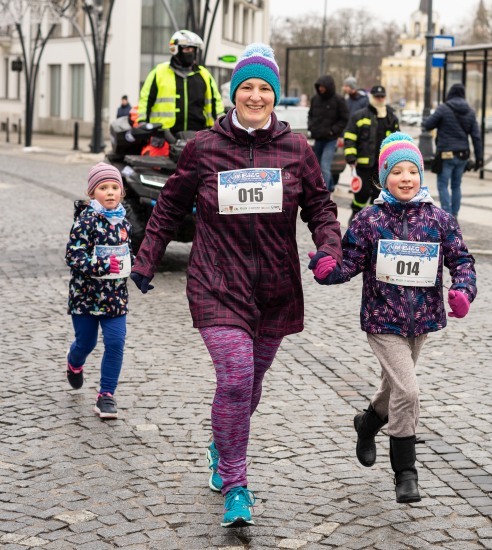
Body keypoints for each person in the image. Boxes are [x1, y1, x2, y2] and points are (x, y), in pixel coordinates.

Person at [130, 43, 342, 528]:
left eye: (264, 88)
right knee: (236, 376)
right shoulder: (206, 147)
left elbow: (321, 207)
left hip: (275, 285)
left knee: (250, 387)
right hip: (217, 281)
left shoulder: (296, 149)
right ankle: (236, 484)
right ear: (232, 94)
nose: (255, 95)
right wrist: (145, 261)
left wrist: (330, 246)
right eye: (246, 86)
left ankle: (221, 443)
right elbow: (168, 207)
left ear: (275, 95)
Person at [308, 132, 477, 504]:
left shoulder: (439, 220)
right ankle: (406, 472)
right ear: (383, 178)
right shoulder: (370, 220)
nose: (405, 178)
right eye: (396, 171)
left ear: (421, 175)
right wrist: (326, 268)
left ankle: (367, 423)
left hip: (423, 321)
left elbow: (462, 261)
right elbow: (348, 262)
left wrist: (463, 291)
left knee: (394, 387)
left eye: (411, 171)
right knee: (409, 390)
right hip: (382, 320)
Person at [65, 162, 134, 420]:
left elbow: (128, 253)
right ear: (92, 192)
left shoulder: (124, 221)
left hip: (115, 299)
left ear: (122, 192)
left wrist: (136, 267)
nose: (110, 192)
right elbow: (73, 255)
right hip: (85, 297)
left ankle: (106, 395)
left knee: (116, 343)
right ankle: (74, 363)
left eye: (115, 187)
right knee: (87, 342)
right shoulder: (86, 220)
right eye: (103, 187)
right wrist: (104, 265)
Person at [137, 29, 224, 139]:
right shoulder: (159, 72)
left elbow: (216, 104)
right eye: (187, 49)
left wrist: (222, 128)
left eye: (193, 49)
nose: (190, 53)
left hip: (198, 137)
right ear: (175, 50)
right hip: (162, 137)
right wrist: (142, 123)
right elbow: (145, 100)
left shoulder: (204, 75)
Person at [422, 83, 483, 218]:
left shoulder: (443, 108)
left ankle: (447, 216)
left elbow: (428, 125)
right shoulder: (471, 112)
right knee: (456, 186)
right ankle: (454, 215)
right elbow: (476, 137)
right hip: (462, 155)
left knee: (443, 185)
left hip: (446, 155)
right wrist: (479, 158)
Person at [343, 84, 399, 223]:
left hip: (383, 166)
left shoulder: (391, 118)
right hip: (363, 164)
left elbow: (397, 140)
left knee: (378, 194)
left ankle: (373, 220)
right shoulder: (359, 115)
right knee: (361, 193)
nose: (379, 99)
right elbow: (349, 137)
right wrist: (351, 157)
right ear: (371, 97)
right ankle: (356, 215)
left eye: (382, 96)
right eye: (377, 96)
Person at [308, 74, 349, 191]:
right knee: (317, 166)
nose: (321, 89)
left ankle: (323, 192)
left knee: (325, 166)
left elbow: (344, 119)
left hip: (331, 139)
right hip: (318, 137)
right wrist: (311, 127)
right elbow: (311, 115)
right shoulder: (315, 99)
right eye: (319, 86)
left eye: (323, 86)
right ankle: (329, 186)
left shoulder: (339, 100)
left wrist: (333, 131)